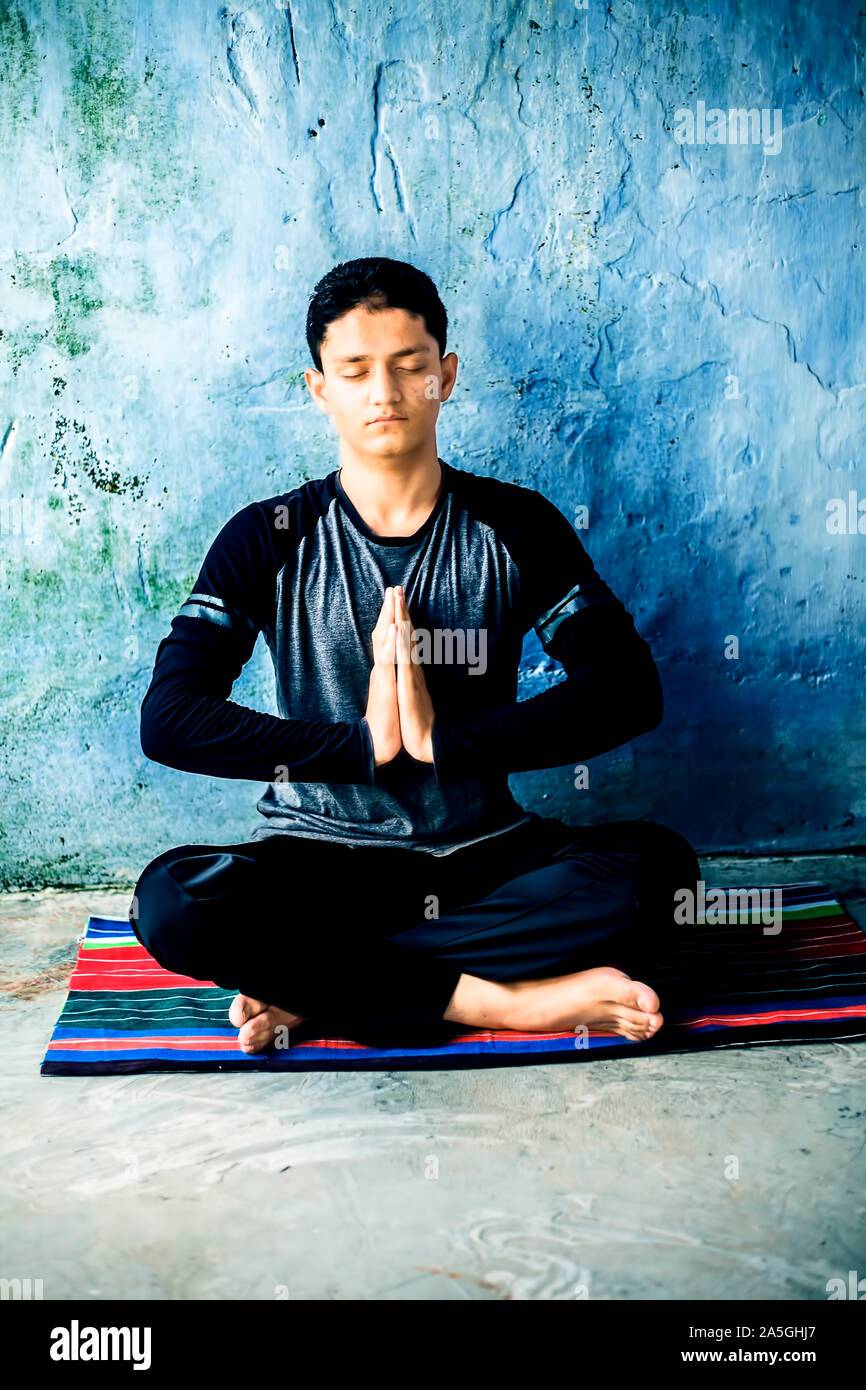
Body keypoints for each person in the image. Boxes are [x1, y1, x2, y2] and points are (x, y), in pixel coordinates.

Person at [130, 255, 701, 1054]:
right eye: (355, 371)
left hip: (483, 857)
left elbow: (627, 689)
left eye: (410, 367)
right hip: (317, 866)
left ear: (447, 375)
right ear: (319, 387)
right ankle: (506, 1003)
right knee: (172, 903)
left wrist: (446, 744)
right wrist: (362, 747)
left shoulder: (516, 525)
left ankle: (319, 988)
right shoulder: (266, 537)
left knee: (661, 875)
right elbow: (170, 719)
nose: (385, 394)